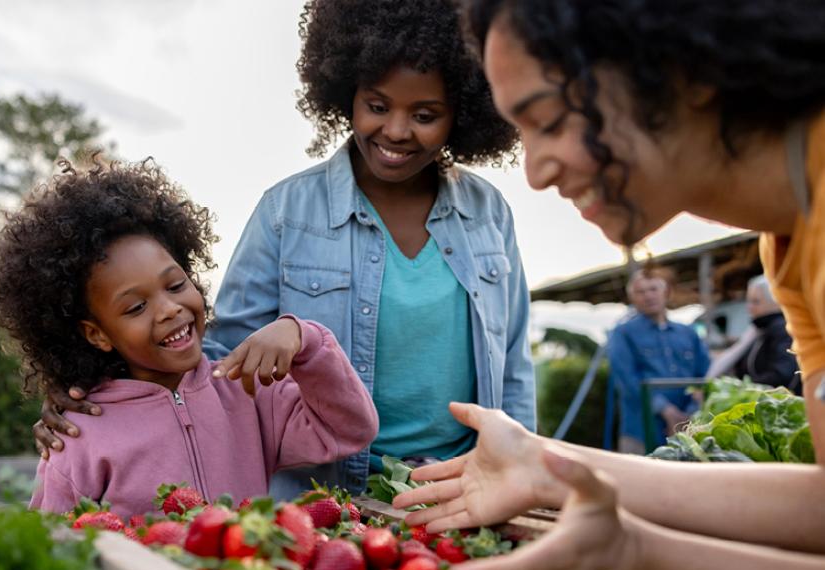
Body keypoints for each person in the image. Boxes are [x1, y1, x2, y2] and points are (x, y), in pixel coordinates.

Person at [393, 0, 825, 570]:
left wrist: (639, 559)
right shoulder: (791, 242)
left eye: (547, 119)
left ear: (684, 67)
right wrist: (541, 466)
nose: (537, 171)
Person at [32, 0, 535, 499]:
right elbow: (217, 361)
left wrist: (524, 469)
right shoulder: (285, 212)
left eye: (425, 114)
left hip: (463, 485)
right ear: (347, 94)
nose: (397, 131)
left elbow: (511, 364)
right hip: (329, 491)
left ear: (463, 114)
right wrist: (89, 387)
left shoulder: (489, 214)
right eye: (377, 106)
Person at [0, 157, 377, 518]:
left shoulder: (246, 389)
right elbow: (52, 547)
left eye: (175, 285)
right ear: (97, 334)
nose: (170, 308)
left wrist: (304, 337)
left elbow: (350, 429)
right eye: (136, 307)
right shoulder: (78, 435)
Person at [607, 267, 710, 454]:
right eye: (641, 292)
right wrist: (666, 411)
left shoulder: (688, 333)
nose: (648, 296)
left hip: (689, 429)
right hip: (641, 431)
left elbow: (704, 375)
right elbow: (627, 379)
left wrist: (690, 412)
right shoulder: (623, 333)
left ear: (666, 292)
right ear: (632, 299)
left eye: (653, 289)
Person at [732, 276, 801, 393]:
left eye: (756, 302)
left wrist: (745, 389)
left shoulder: (781, 329)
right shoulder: (761, 329)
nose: (749, 307)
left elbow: (782, 374)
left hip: (778, 402)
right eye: (748, 301)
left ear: (775, 302)